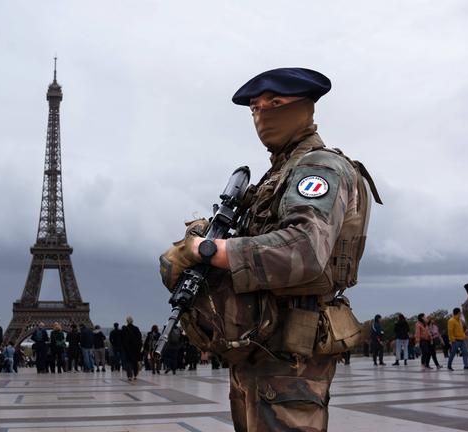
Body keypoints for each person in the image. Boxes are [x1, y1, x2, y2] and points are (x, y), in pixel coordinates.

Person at [158, 67, 379, 431]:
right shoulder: (279, 173)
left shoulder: (319, 168)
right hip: (260, 346)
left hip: (291, 356)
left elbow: (304, 250)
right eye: (254, 109)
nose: (262, 115)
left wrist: (208, 250)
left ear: (305, 107)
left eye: (274, 103)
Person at [121, 316, 142, 382]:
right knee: (135, 362)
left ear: (127, 321)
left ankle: (129, 375)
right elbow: (140, 338)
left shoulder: (124, 329)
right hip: (135, 348)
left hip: (127, 348)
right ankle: (135, 374)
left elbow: (122, 339)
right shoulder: (136, 328)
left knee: (128, 362)